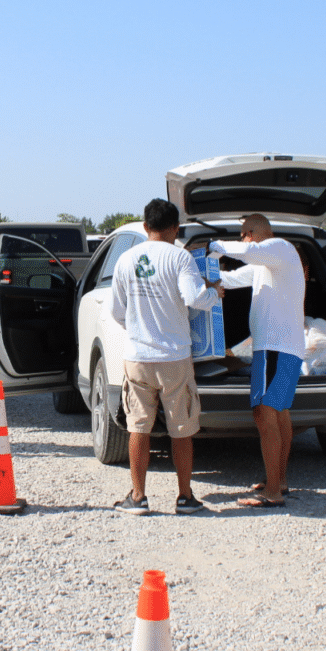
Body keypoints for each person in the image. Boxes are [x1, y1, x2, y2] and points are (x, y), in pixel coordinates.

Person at [108, 198, 223, 515]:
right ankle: (185, 497)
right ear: (175, 228)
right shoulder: (181, 258)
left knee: (138, 428)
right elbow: (195, 298)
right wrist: (215, 292)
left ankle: (138, 497)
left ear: (146, 227)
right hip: (175, 358)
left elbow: (117, 311)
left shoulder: (126, 260)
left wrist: (138, 331)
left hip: (138, 358)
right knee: (182, 430)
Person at [209, 213, 306, 507]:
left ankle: (273, 491)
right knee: (279, 414)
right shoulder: (267, 266)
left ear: (250, 233)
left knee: (264, 416)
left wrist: (215, 245)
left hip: (275, 349)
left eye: (242, 235)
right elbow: (230, 278)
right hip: (283, 349)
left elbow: (247, 252)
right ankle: (279, 479)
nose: (241, 241)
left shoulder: (280, 247)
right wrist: (204, 276)